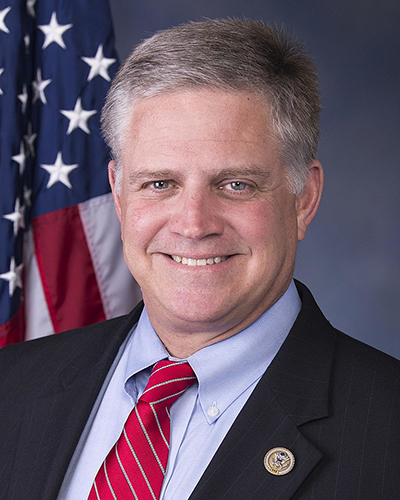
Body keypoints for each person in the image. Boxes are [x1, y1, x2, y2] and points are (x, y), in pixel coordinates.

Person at [0, 18, 399, 500]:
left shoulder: (386, 428)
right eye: (159, 183)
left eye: (236, 185)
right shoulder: (13, 386)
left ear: (303, 199)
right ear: (119, 195)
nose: (193, 224)